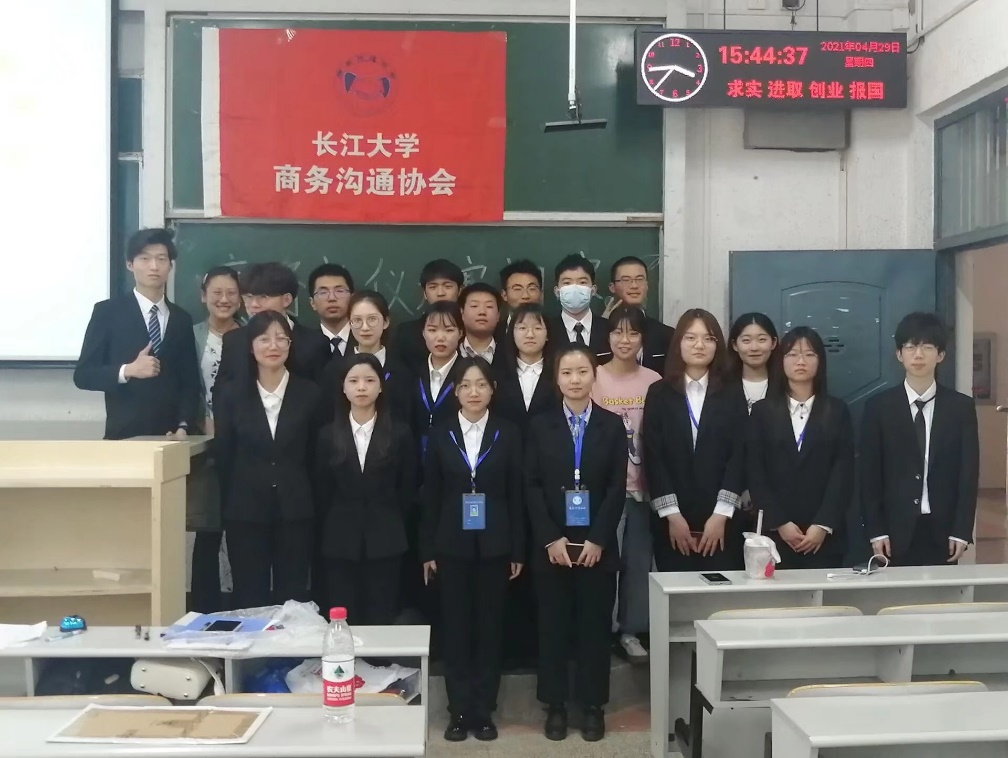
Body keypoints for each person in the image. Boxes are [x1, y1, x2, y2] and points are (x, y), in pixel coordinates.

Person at [526, 345, 628, 742]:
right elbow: (531, 485)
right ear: (556, 379)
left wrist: (599, 539)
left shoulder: (612, 425)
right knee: (552, 627)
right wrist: (550, 537)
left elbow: (617, 487)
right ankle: (554, 705)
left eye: (582, 371)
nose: (574, 379)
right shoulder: (540, 425)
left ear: (593, 376)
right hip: (552, 545)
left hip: (596, 547)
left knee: (594, 629)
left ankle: (592, 706)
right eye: (566, 372)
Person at [420, 357, 524, 742]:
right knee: (456, 630)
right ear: (456, 391)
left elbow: (517, 494)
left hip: (496, 546)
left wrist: (517, 549)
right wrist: (427, 549)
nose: (474, 392)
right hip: (451, 546)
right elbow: (430, 495)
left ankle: (483, 712)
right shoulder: (441, 434)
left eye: (481, 384)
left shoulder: (508, 433)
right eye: (465, 385)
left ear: (493, 389)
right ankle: (458, 711)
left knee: (490, 630)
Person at [213, 311, 322, 609]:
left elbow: (317, 457)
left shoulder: (311, 394)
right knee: (249, 595)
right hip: (245, 510)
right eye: (264, 339)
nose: (273, 346)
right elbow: (224, 453)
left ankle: (292, 644)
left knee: (294, 596)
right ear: (251, 347)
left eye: (281, 338)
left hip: (297, 510)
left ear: (290, 344)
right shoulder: (231, 395)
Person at [861, 312, 979, 566]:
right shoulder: (878, 408)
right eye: (910, 346)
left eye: (927, 347)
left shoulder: (960, 407)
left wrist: (962, 530)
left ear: (941, 355)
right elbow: (869, 475)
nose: (918, 355)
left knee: (941, 592)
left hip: (943, 530)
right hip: (893, 532)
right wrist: (876, 530)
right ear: (899, 354)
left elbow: (968, 474)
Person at [642, 309, 747, 573]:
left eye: (708, 338)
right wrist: (672, 515)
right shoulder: (659, 393)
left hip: (722, 521)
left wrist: (721, 514)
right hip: (672, 522)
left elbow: (740, 453)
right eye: (690, 338)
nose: (699, 345)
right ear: (678, 343)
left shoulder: (733, 392)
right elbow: (653, 456)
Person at [315, 353, 416, 625]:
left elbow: (406, 489)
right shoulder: (327, 435)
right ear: (343, 387)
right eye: (354, 381)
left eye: (370, 380)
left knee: (381, 615)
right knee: (343, 618)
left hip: (386, 539)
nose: (361, 387)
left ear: (381, 386)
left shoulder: (400, 434)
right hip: (339, 541)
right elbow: (322, 491)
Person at [74, 228, 200, 440]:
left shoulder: (181, 319)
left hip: (170, 438)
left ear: (170, 266)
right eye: (145, 258)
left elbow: (190, 382)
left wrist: (184, 425)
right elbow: (84, 376)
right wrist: (128, 370)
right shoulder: (107, 313)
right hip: (124, 438)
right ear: (130, 264)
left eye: (161, 259)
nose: (154, 266)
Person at [747, 327, 855, 569]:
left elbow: (843, 471)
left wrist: (823, 524)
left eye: (809, 354)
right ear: (781, 361)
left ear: (820, 361)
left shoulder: (837, 411)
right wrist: (779, 522)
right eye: (792, 354)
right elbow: (755, 471)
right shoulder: (763, 411)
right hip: (773, 537)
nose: (801, 361)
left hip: (824, 538)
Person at [590, 305, 661, 664]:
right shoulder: (594, 377)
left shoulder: (654, 381)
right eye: (618, 332)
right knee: (604, 563)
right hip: (607, 490)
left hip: (644, 489)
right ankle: (601, 629)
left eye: (633, 333)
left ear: (643, 338)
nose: (625, 339)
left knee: (638, 564)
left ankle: (631, 631)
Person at [190, 265, 242, 613]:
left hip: (239, 446)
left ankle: (241, 605)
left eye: (231, 293)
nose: (224, 299)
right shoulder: (188, 335)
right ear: (203, 296)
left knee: (239, 529)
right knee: (206, 528)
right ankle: (203, 608)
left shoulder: (251, 337)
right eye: (216, 293)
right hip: (200, 445)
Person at [213, 263, 329, 401]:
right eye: (248, 297)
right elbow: (221, 393)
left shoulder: (315, 342)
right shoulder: (233, 340)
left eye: (263, 297)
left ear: (286, 299)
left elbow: (324, 396)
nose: (253, 304)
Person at [320, 290, 409, 419]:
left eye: (372, 319)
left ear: (385, 322)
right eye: (357, 320)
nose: (365, 327)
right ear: (349, 324)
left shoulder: (403, 372)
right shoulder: (334, 370)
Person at [409, 300, 464, 460]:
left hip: (454, 459)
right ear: (423, 333)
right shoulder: (412, 373)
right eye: (432, 330)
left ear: (461, 333)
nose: (440, 337)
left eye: (449, 330)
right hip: (415, 457)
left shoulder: (468, 374)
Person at [495, 303, 559, 437]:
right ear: (512, 333)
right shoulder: (497, 373)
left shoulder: (559, 373)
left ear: (547, 334)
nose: (530, 335)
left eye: (537, 328)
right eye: (522, 328)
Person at [392, 259, 464, 372]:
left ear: (460, 290)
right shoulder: (406, 334)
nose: (440, 293)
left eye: (447, 286)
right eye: (433, 287)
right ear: (424, 293)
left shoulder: (470, 330)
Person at [605, 256, 672, 375]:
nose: (634, 285)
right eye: (626, 280)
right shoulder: (601, 330)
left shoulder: (667, 335)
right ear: (612, 287)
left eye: (640, 279)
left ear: (647, 285)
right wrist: (603, 323)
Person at [546, 254, 612, 365]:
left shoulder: (610, 328)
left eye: (582, 282)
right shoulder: (546, 331)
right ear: (557, 291)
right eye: (567, 283)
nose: (575, 288)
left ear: (593, 290)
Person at [727, 312, 779, 414]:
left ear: (773, 343)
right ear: (734, 345)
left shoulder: (785, 386)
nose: (754, 348)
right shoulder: (721, 386)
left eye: (762, 339)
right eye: (746, 340)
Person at [458, 282, 508, 378]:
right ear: (462, 312)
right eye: (474, 306)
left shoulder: (510, 355)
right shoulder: (450, 354)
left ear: (498, 315)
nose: (482, 312)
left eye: (489, 306)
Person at [308, 263, 356, 359]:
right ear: (312, 303)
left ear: (352, 298)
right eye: (323, 292)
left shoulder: (366, 338)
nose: (332, 298)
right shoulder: (302, 345)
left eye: (339, 291)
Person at [499, 259, 544, 326]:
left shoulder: (554, 329)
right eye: (517, 289)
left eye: (532, 289)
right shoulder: (493, 330)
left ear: (541, 294)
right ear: (504, 295)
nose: (525, 296)